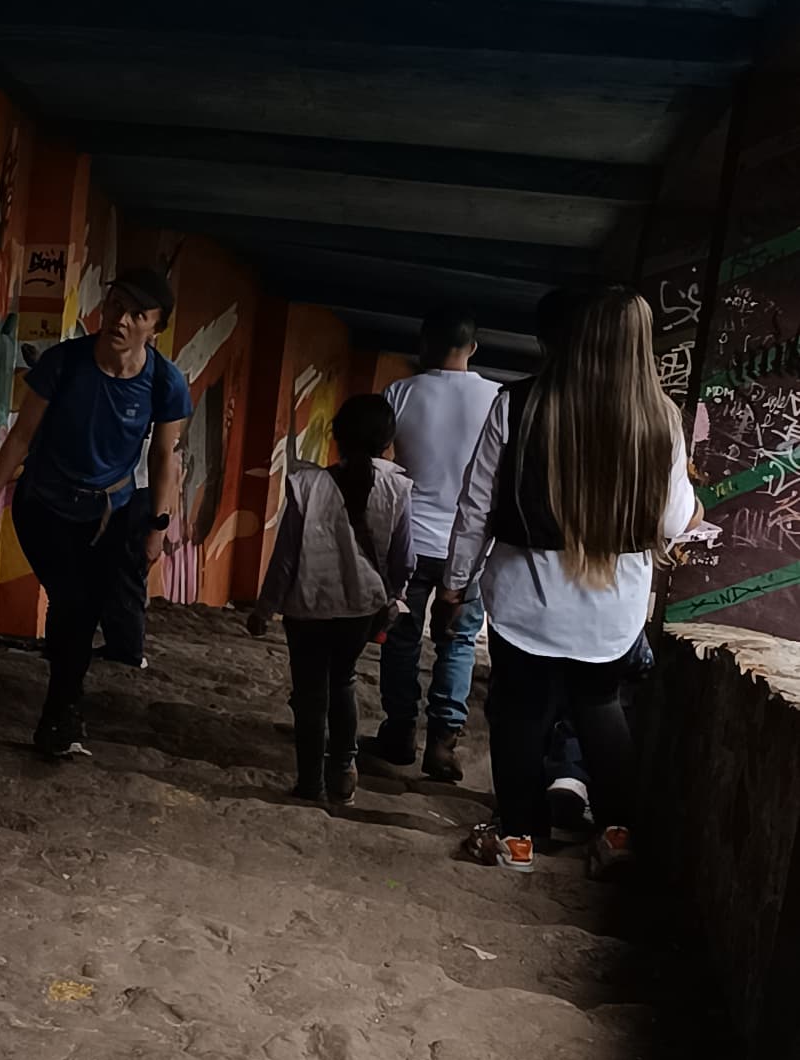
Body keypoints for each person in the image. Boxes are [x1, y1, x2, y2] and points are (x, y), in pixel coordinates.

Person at [444, 282, 693, 873]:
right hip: (613, 607)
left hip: (525, 601)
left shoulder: (519, 403)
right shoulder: (662, 418)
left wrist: (455, 584)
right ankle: (617, 839)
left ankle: (520, 840)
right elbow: (673, 519)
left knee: (522, 712)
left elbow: (476, 505)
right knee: (601, 705)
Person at [0, 269, 191, 762]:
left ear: (155, 327)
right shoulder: (63, 363)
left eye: (138, 314)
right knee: (72, 603)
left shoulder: (165, 382)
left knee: (81, 610)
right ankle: (62, 714)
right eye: (116, 305)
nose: (121, 319)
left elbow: (164, 457)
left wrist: (157, 525)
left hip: (110, 513)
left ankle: (62, 715)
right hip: (43, 506)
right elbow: (21, 436)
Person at [249, 392, 412, 809]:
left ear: (335, 436)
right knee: (342, 680)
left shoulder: (307, 486)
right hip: (360, 608)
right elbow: (404, 558)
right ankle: (343, 767)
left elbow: (285, 557)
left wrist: (265, 609)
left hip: (307, 608)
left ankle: (310, 783)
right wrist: (392, 597)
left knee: (309, 693)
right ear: (387, 443)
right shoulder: (397, 488)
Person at [364, 308, 501, 784]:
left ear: (425, 343)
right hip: (472, 546)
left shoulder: (401, 393)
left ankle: (399, 732)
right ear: (474, 347)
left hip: (410, 539)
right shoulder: (497, 399)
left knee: (400, 638)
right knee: (459, 641)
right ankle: (442, 745)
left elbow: (378, 464)